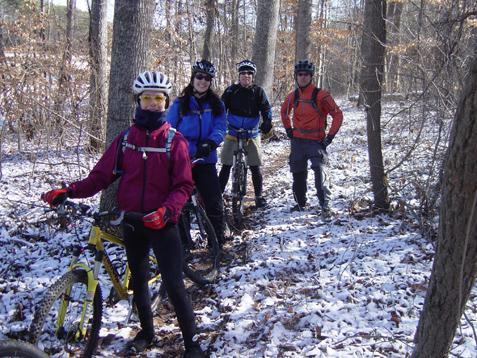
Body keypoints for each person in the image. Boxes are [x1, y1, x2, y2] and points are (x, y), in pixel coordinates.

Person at [41, 71, 204, 357]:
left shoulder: (174, 141)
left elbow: (184, 185)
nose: (152, 104)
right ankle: (147, 332)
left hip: (163, 223)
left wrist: (167, 211)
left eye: (158, 98)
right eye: (146, 98)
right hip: (132, 221)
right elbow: (99, 178)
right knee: (138, 281)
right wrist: (68, 191)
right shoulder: (126, 139)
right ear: (138, 101)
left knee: (174, 283)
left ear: (165, 102)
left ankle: (192, 343)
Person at [166, 59, 227, 247]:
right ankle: (184, 245)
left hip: (206, 158)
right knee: (181, 204)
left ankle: (217, 240)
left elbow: (220, 126)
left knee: (214, 201)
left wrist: (211, 142)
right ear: (193, 78)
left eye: (207, 78)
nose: (203, 81)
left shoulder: (216, 103)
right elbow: (169, 130)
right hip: (182, 159)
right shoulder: (180, 103)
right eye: (199, 77)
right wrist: (184, 148)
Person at [281, 60, 343, 214]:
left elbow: (338, 115)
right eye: (300, 75)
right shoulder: (293, 96)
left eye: (306, 75)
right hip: (298, 142)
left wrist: (330, 137)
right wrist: (288, 129)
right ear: (296, 76)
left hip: (316, 142)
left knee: (320, 172)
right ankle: (300, 203)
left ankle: (325, 205)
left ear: (311, 76)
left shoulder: (321, 95)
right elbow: (284, 112)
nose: (303, 77)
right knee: (298, 173)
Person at [218, 59, 273, 208]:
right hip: (233, 131)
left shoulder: (258, 91)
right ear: (239, 75)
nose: (246, 76)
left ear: (253, 76)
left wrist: (267, 121)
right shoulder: (231, 91)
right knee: (226, 164)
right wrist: (219, 123)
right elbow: (221, 109)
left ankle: (258, 196)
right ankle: (218, 195)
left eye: (249, 73)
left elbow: (266, 108)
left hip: (252, 133)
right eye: (243, 73)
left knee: (255, 165)